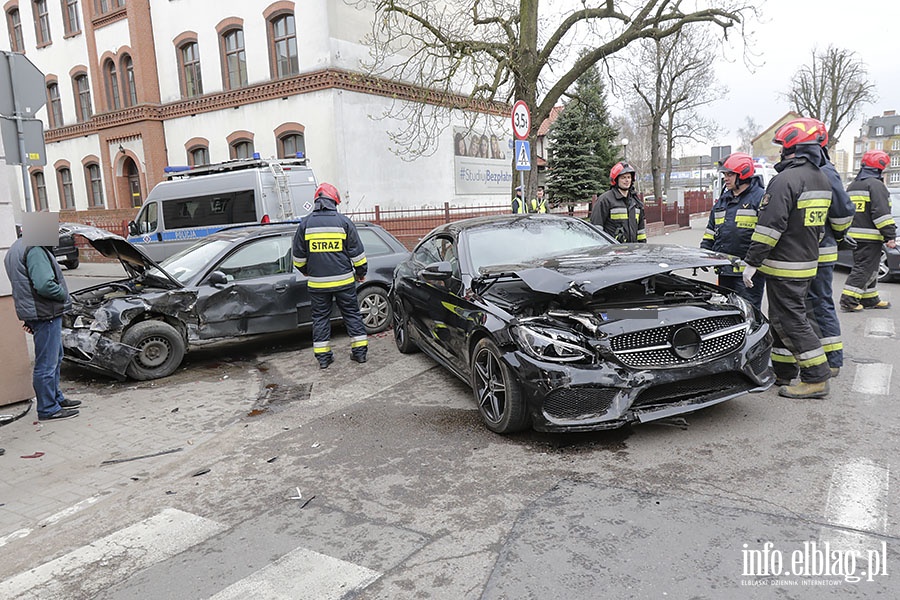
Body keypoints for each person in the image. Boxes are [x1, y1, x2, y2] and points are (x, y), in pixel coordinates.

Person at [742, 118, 832, 399]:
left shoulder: (785, 180)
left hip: (785, 265)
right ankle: (784, 372)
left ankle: (816, 377)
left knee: (790, 320)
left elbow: (770, 226)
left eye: (782, 146)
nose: (779, 151)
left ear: (794, 147)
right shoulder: (821, 178)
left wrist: (752, 262)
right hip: (805, 262)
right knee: (781, 318)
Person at [3, 212, 81, 421]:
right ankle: (48, 408)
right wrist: (63, 294)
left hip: (36, 311)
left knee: (54, 357)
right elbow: (44, 284)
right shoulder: (35, 249)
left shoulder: (16, 247)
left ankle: (56, 398)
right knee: (47, 362)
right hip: (45, 312)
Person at [292, 183, 369, 369]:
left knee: (320, 319)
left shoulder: (305, 224)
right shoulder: (344, 222)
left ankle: (324, 359)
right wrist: (361, 274)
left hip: (318, 284)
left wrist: (306, 271)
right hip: (344, 282)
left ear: (317, 201)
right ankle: (360, 355)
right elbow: (357, 254)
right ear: (334, 200)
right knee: (352, 315)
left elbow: (298, 258)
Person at [805, 118, 855, 377]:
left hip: (820, 251)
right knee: (811, 304)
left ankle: (832, 360)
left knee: (820, 303)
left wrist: (834, 233)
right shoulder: (821, 169)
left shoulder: (825, 171)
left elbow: (844, 211)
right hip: (812, 250)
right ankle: (820, 357)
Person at [700, 152, 766, 310]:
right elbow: (711, 229)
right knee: (728, 312)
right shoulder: (723, 200)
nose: (725, 178)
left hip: (749, 273)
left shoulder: (760, 199)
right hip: (725, 270)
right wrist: (703, 252)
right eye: (724, 174)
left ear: (743, 175)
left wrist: (753, 263)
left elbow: (765, 235)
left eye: (730, 174)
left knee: (748, 313)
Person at [840, 149, 897, 312]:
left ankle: (870, 298)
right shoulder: (876, 185)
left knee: (869, 267)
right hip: (870, 237)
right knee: (865, 268)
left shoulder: (853, 185)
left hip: (855, 235)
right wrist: (890, 235)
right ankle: (848, 300)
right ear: (879, 167)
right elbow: (881, 214)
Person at [590, 162, 646, 242]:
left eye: (629, 177)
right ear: (616, 180)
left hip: (633, 251)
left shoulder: (635, 202)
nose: (627, 180)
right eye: (623, 177)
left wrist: (642, 248)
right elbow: (596, 229)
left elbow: (641, 232)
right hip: (613, 252)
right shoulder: (605, 200)